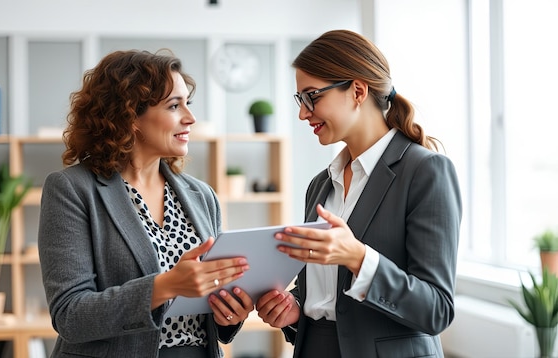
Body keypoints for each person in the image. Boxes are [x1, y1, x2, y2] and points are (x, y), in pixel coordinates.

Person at [254, 29, 462, 358]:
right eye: (300, 100)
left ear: (358, 91)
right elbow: (325, 298)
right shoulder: (321, 184)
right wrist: (294, 309)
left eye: (312, 97)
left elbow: (436, 309)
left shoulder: (425, 171)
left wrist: (358, 258)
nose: (303, 113)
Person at [38, 49, 254, 358]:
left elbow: (212, 317)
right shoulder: (72, 189)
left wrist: (230, 314)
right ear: (129, 116)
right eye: (174, 105)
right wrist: (164, 286)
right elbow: (70, 315)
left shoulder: (202, 195)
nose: (190, 118)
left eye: (187, 104)